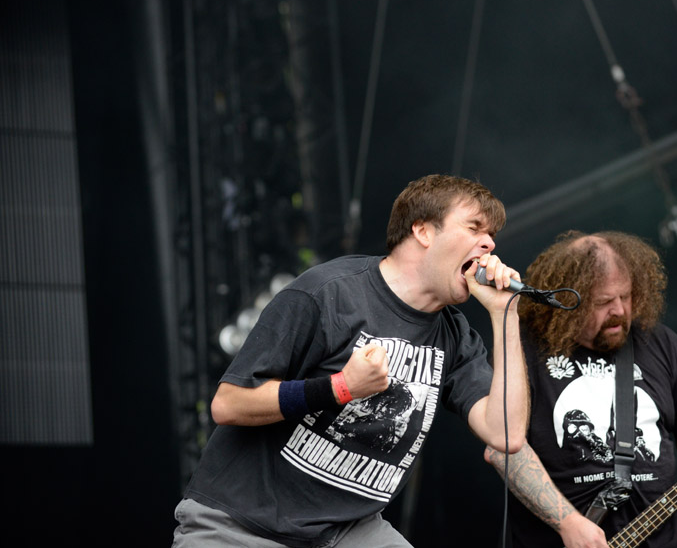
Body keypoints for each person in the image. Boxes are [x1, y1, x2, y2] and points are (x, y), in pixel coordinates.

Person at [172, 174, 529, 548]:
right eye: (474, 228)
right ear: (423, 230)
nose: (489, 244)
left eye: (491, 235)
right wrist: (341, 387)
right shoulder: (327, 293)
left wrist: (507, 317)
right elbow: (228, 404)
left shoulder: (454, 335)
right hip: (242, 526)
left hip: (347, 531)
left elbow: (506, 433)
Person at [485, 231, 677, 548]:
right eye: (603, 302)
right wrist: (567, 523)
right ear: (567, 301)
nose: (619, 311)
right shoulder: (524, 350)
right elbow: (503, 449)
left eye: (625, 297)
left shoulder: (659, 342)